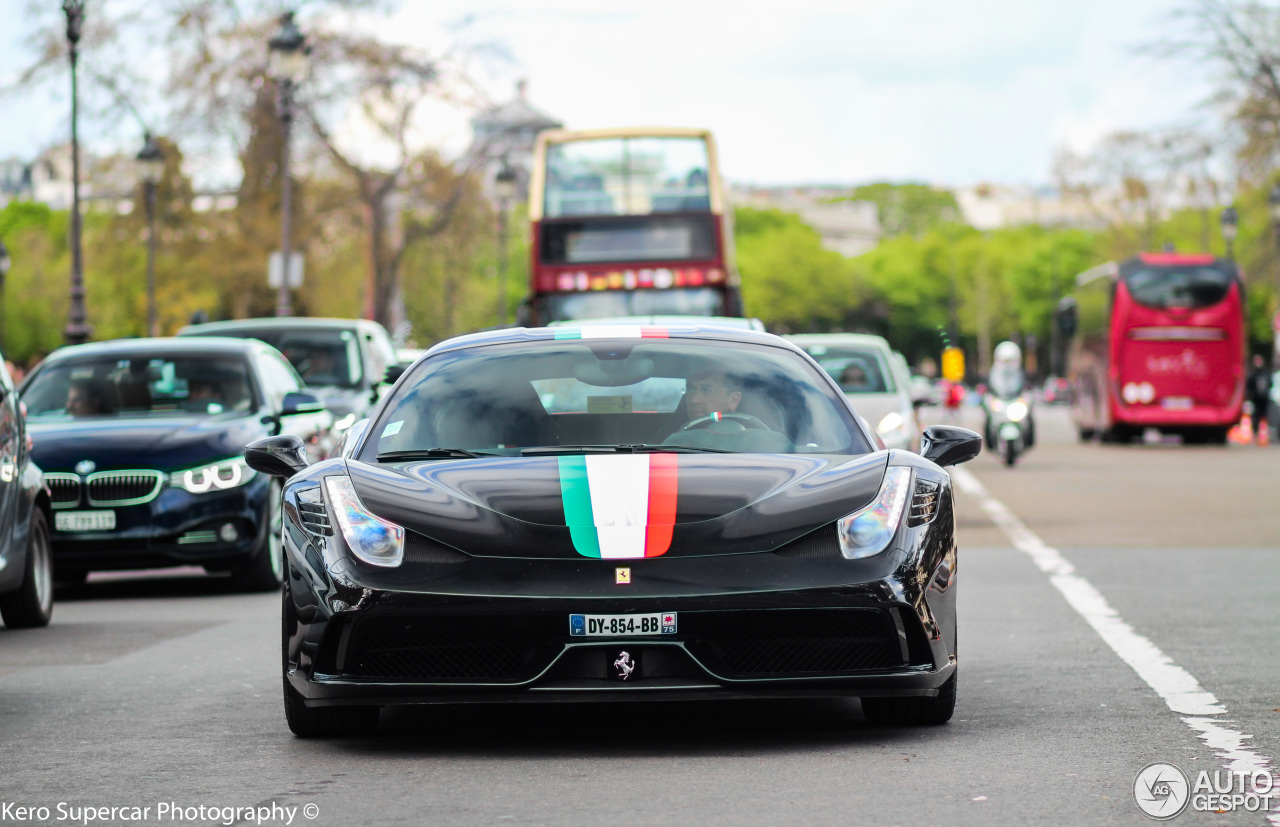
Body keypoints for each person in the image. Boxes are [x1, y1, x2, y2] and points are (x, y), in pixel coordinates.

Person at [1246, 354, 1273, 444]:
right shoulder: (1253, 374)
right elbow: (1249, 386)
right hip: (1256, 399)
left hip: (1264, 399)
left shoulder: (1266, 372)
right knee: (1256, 417)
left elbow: (1270, 384)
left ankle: (1265, 435)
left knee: (1265, 416)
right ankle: (1255, 435)